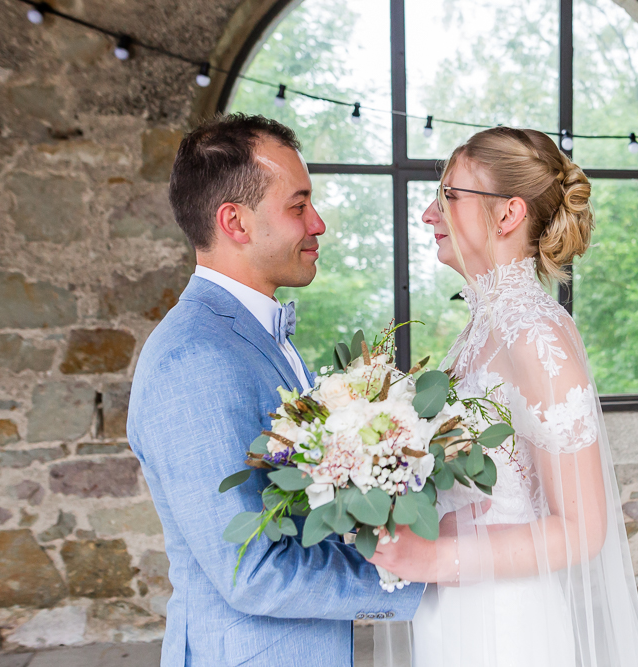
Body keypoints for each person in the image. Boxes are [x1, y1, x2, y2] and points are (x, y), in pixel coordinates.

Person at [127, 113, 424, 667]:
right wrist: (423, 583)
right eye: (298, 205)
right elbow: (252, 571)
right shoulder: (195, 359)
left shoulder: (250, 335)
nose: (319, 223)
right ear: (235, 223)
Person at [366, 127, 638, 666]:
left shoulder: (537, 335)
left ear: (507, 215)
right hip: (450, 609)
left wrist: (431, 558)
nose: (429, 214)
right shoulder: (482, 326)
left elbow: (583, 530)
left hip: (505, 626)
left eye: (448, 196)